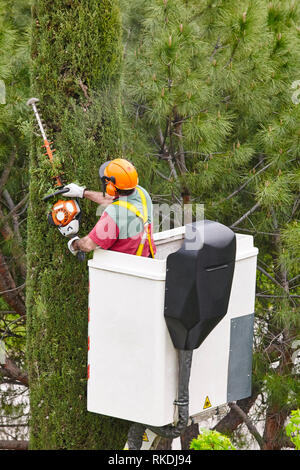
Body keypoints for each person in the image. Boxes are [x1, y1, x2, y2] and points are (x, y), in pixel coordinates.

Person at [64, 158, 156, 258]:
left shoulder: (113, 215)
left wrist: (74, 244)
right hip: (147, 260)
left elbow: (88, 245)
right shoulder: (142, 193)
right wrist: (82, 192)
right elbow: (113, 200)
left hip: (124, 268)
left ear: (111, 188)